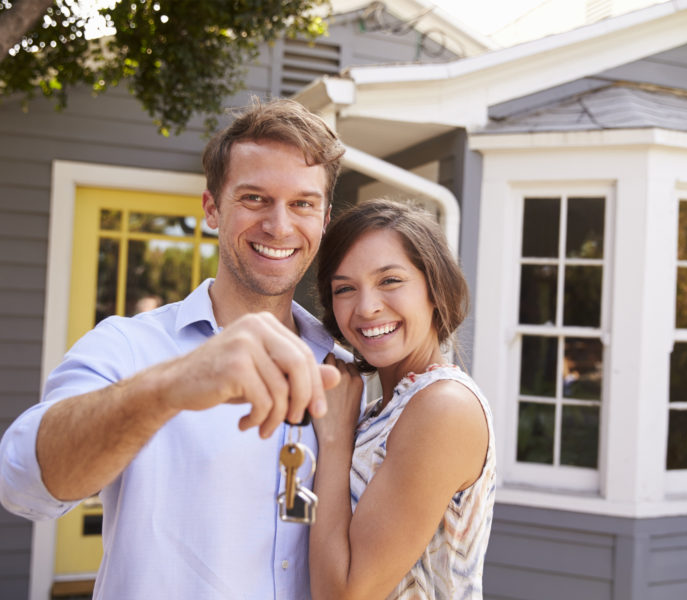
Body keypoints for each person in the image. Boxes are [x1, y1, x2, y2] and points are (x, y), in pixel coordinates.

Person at [0, 97, 356, 599]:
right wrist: (171, 386)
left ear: (323, 219)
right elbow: (21, 484)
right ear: (212, 208)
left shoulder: (346, 367)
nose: (279, 226)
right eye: (254, 198)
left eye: (302, 203)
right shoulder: (129, 346)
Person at [311, 198, 496, 599]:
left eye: (390, 280)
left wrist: (335, 438)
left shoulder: (443, 407)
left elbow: (345, 595)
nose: (367, 307)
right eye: (345, 289)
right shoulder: (389, 406)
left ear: (435, 288)